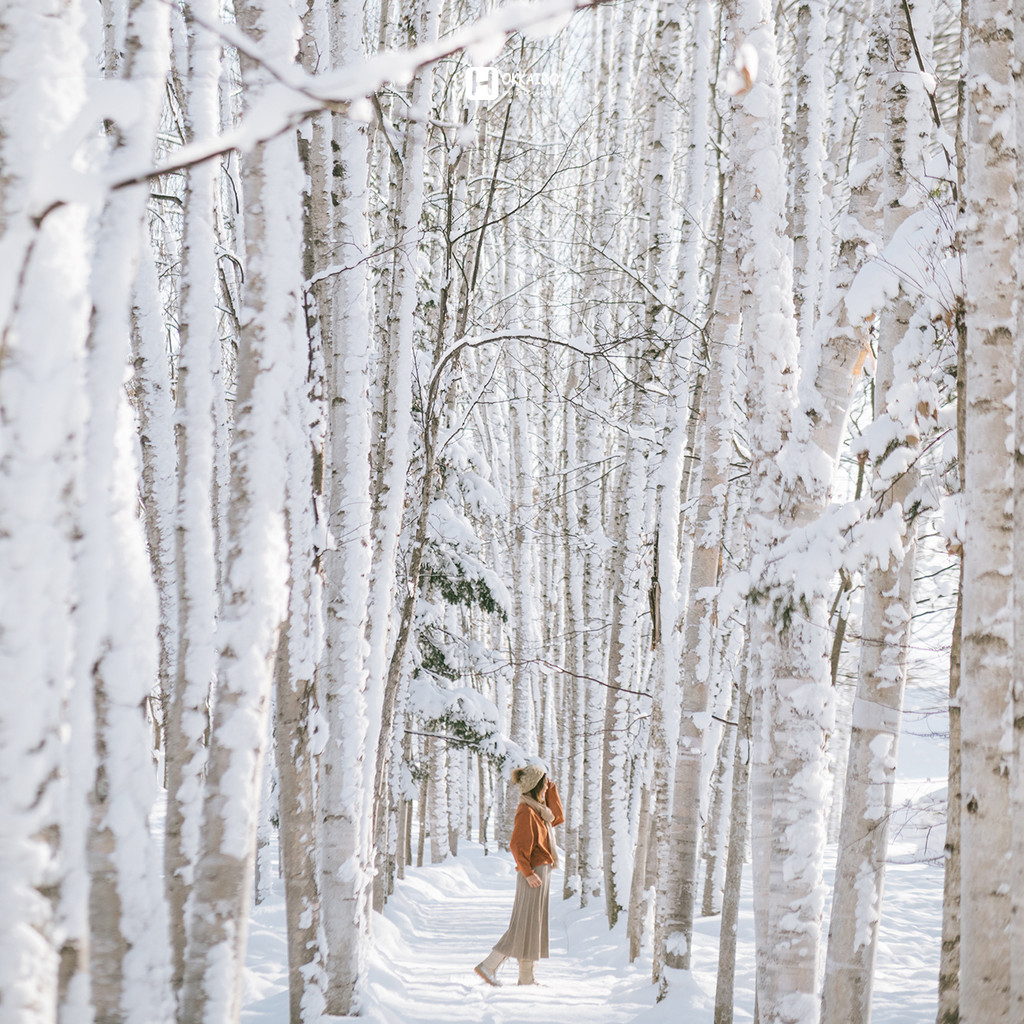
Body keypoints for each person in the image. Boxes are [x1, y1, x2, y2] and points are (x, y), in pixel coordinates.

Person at [474, 762, 564, 987]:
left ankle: (526, 978)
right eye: (544, 783)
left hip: (540, 869)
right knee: (524, 924)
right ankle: (489, 965)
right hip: (533, 872)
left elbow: (558, 818)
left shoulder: (538, 809)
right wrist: (528, 872)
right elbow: (517, 846)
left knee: (532, 923)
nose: (546, 787)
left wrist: (551, 789)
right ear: (535, 785)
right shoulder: (527, 811)